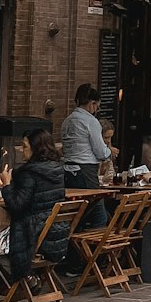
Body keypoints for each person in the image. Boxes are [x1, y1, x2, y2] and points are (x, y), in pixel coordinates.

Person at [0, 128, 67, 285]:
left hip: (34, 236)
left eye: (24, 146)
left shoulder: (29, 173)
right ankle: (30, 280)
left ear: (36, 148)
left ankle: (25, 279)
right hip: (56, 233)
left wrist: (7, 185)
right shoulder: (57, 169)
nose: (22, 151)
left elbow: (17, 206)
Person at [60, 83, 112, 230]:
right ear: (92, 104)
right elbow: (100, 152)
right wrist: (109, 152)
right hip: (86, 171)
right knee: (99, 215)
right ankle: (94, 250)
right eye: (97, 106)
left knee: (76, 213)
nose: (96, 110)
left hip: (67, 172)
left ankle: (76, 246)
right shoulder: (91, 122)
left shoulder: (66, 121)